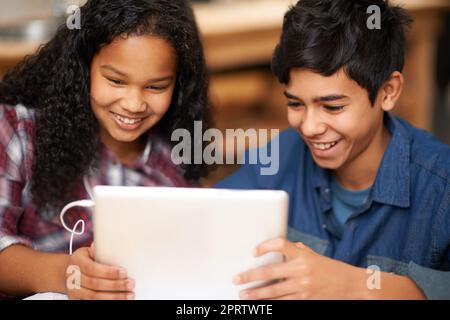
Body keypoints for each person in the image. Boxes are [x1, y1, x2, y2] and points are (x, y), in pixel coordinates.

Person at [217, 0, 450, 299]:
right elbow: (209, 219)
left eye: (332, 106)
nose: (310, 127)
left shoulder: (440, 187)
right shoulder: (278, 157)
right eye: (295, 103)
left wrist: (353, 285)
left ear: (388, 91)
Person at [0, 0, 211, 299]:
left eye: (156, 87)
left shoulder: (175, 159)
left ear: (179, 85)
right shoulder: (18, 129)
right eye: (115, 80)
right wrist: (68, 275)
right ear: (83, 68)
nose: (133, 104)